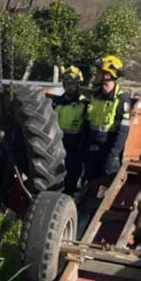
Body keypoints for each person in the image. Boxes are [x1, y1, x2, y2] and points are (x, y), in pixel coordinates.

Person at [84, 55, 131, 180]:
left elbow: (123, 131)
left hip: (108, 152)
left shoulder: (121, 99)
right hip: (91, 150)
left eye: (99, 71)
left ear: (108, 75)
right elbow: (88, 123)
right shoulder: (96, 96)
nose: (96, 74)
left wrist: (114, 154)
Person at [52, 65, 88, 195]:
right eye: (67, 83)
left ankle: (70, 195)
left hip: (76, 146)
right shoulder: (57, 102)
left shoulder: (84, 103)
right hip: (58, 144)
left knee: (72, 175)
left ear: (78, 85)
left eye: (73, 84)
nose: (70, 87)